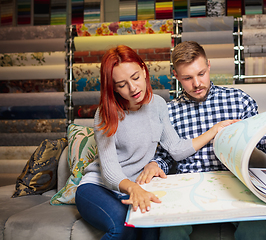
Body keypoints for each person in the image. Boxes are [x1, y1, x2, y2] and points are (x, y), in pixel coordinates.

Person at [74, 45, 237, 240]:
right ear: (113, 88)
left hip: (138, 190)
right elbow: (109, 171)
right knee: (123, 228)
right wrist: (134, 188)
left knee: (151, 233)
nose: (133, 88)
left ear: (144, 70)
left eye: (135, 77)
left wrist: (214, 131)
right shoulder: (105, 113)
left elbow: (176, 149)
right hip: (99, 188)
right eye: (122, 84)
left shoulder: (158, 104)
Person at [137, 41, 266, 240]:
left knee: (255, 226)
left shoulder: (238, 100)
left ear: (209, 66)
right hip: (188, 187)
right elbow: (167, 156)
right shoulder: (169, 111)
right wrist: (155, 164)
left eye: (201, 73)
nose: (197, 84)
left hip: (235, 184)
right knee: (171, 231)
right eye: (187, 78)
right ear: (175, 76)